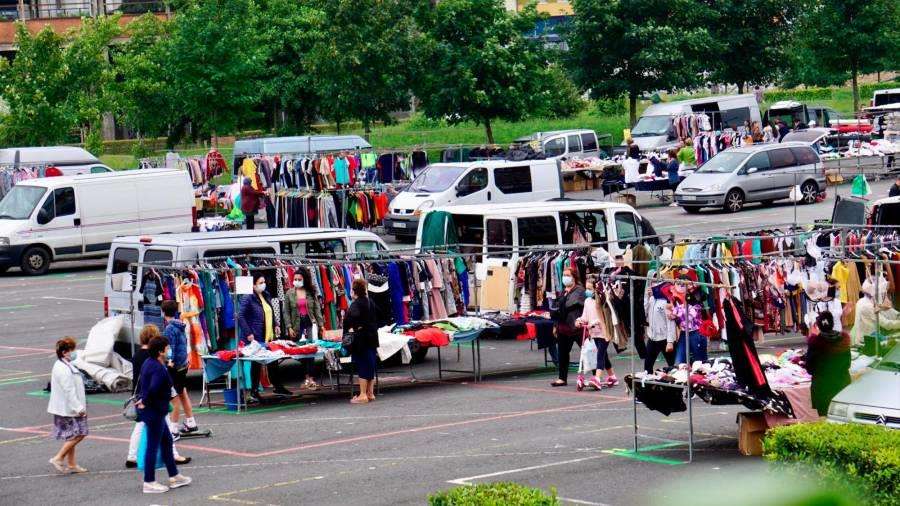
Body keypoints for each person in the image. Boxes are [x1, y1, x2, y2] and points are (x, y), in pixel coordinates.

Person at [127, 325, 190, 469]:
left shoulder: (137, 355)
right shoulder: (153, 361)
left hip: (140, 395)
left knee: (140, 426)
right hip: (152, 400)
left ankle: (132, 456)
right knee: (164, 428)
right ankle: (172, 456)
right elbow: (155, 384)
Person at [136, 336, 192, 494]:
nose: (169, 350)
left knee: (167, 442)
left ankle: (174, 476)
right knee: (152, 447)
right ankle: (149, 481)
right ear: (160, 351)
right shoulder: (158, 368)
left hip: (155, 411)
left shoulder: (150, 363)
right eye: (167, 348)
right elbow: (153, 388)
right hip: (154, 412)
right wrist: (145, 401)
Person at [239, 274, 290, 400]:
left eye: (264, 281)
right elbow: (240, 316)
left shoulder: (265, 295)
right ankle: (254, 391)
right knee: (256, 364)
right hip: (255, 336)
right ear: (253, 285)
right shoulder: (248, 297)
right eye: (260, 282)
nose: (263, 284)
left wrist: (276, 324)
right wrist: (248, 333)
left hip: (268, 334)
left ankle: (278, 386)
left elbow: (270, 311)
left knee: (273, 360)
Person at [47, 337, 88, 474]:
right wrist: (79, 408)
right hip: (68, 408)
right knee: (80, 434)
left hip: (67, 408)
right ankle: (58, 457)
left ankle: (72, 464)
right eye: (71, 350)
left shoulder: (65, 365)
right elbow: (69, 391)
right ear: (65, 352)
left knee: (71, 435)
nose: (74, 352)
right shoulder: (63, 369)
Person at [283, 269, 326, 390]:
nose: (296, 281)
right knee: (300, 351)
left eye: (299, 279)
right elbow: (286, 312)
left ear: (304, 280)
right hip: (297, 325)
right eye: (295, 279)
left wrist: (321, 325)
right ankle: (306, 375)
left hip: (310, 323)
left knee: (311, 350)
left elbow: (317, 309)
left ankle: (310, 378)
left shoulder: (311, 292)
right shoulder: (289, 293)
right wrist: (289, 327)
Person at [161, 300, 199, 436]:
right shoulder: (181, 325)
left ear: (163, 313)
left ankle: (174, 427)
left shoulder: (169, 329)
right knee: (182, 393)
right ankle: (191, 422)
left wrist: (169, 362)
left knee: (174, 397)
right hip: (183, 364)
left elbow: (170, 348)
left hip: (175, 367)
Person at [804, 311, 851, 416]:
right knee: (842, 420)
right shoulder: (844, 341)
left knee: (825, 417)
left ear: (819, 325)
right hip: (841, 385)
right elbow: (848, 364)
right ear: (833, 324)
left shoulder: (815, 343)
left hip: (822, 388)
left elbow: (809, 368)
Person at [575, 278, 617, 390]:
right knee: (604, 355)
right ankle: (612, 376)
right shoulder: (587, 301)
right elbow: (585, 316)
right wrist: (579, 321)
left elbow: (604, 318)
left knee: (600, 354)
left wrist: (593, 323)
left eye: (590, 288)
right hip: (593, 333)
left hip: (603, 332)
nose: (587, 291)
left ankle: (597, 378)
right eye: (586, 288)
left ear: (596, 289)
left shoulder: (602, 301)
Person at [343, 278, 379, 404]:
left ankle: (363, 394)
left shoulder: (356, 304)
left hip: (361, 339)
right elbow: (378, 316)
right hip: (372, 337)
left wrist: (355, 326)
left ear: (354, 291)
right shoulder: (370, 302)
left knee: (363, 365)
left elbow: (349, 320)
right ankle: (370, 392)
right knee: (370, 364)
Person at [550, 268, 585, 387]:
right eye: (564, 275)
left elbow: (569, 305)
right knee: (563, 353)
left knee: (588, 351)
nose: (565, 277)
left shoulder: (579, 290)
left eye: (568, 275)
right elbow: (558, 307)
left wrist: (558, 309)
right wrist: (555, 325)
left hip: (576, 327)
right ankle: (562, 378)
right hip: (563, 327)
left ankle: (598, 375)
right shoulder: (563, 291)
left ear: (574, 277)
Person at [672, 288, 708, 364]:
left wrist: (676, 315)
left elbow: (689, 317)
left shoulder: (695, 304)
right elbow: (673, 313)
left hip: (696, 333)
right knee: (679, 361)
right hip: (683, 333)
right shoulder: (677, 303)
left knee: (699, 362)